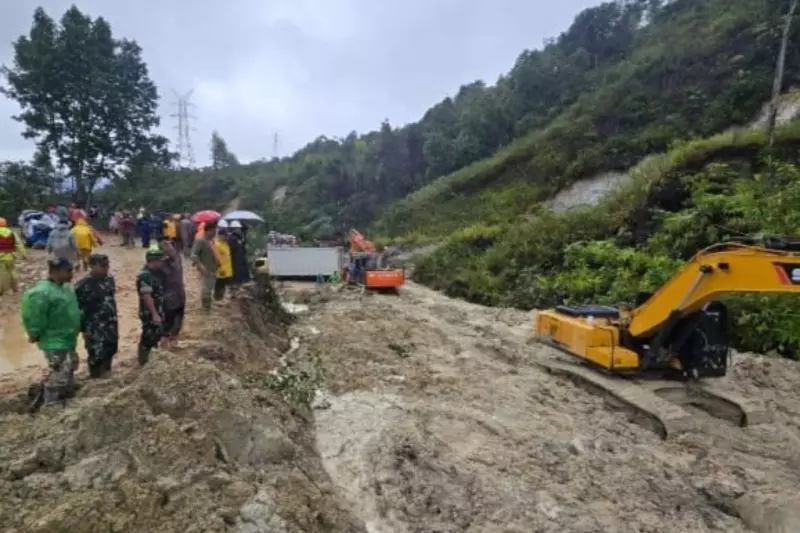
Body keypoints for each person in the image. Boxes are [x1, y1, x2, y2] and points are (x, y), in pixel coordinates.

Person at [20, 258, 81, 404]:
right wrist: (33, 333)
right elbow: (34, 316)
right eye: (68, 271)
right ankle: (50, 403)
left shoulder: (65, 288)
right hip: (54, 340)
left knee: (71, 365)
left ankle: (67, 395)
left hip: (67, 337)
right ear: (56, 272)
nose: (71, 274)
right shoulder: (41, 292)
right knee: (61, 372)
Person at [74, 254, 118, 378]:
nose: (106, 269)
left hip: (110, 323)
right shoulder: (82, 285)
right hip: (93, 326)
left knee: (111, 348)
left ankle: (107, 373)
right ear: (92, 266)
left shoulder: (109, 279)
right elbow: (77, 309)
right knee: (96, 353)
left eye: (107, 265)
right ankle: (95, 377)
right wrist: (83, 330)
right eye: (103, 266)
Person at [136, 246, 166, 365]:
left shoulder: (156, 273)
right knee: (148, 337)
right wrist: (154, 314)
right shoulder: (145, 276)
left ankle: (151, 359)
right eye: (160, 260)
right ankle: (144, 361)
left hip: (157, 310)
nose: (162, 263)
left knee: (155, 336)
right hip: (149, 312)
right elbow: (146, 296)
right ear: (153, 261)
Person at [159, 238, 186, 348]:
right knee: (168, 322)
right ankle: (164, 344)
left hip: (180, 294)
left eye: (171, 248)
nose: (171, 250)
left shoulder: (178, 258)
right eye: (168, 249)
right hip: (168, 298)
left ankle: (174, 341)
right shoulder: (161, 264)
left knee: (179, 320)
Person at [190, 220, 220, 311]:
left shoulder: (210, 241)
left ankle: (208, 304)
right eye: (214, 232)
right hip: (206, 268)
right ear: (209, 230)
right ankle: (206, 308)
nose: (215, 234)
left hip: (213, 268)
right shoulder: (200, 240)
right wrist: (200, 266)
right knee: (206, 289)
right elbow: (193, 255)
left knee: (210, 287)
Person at [0, 217, 26, 297]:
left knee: (2, 274)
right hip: (11, 256)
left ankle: (1, 291)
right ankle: (15, 288)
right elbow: (19, 244)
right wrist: (23, 254)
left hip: (1, 258)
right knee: (13, 272)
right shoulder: (12, 233)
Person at [227, 220, 251, 291]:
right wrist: (239, 244)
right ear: (234, 229)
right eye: (238, 228)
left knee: (242, 271)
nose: (239, 230)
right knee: (236, 272)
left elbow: (242, 246)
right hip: (235, 258)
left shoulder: (239, 237)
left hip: (240, 257)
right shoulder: (231, 238)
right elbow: (232, 248)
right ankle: (235, 286)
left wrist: (242, 242)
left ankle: (241, 283)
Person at [213, 225, 234, 301]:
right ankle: (217, 299)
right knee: (219, 284)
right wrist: (219, 267)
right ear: (220, 235)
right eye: (225, 235)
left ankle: (221, 298)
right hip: (221, 269)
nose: (227, 237)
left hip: (226, 268)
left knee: (223, 284)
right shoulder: (216, 244)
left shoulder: (225, 244)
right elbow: (215, 258)